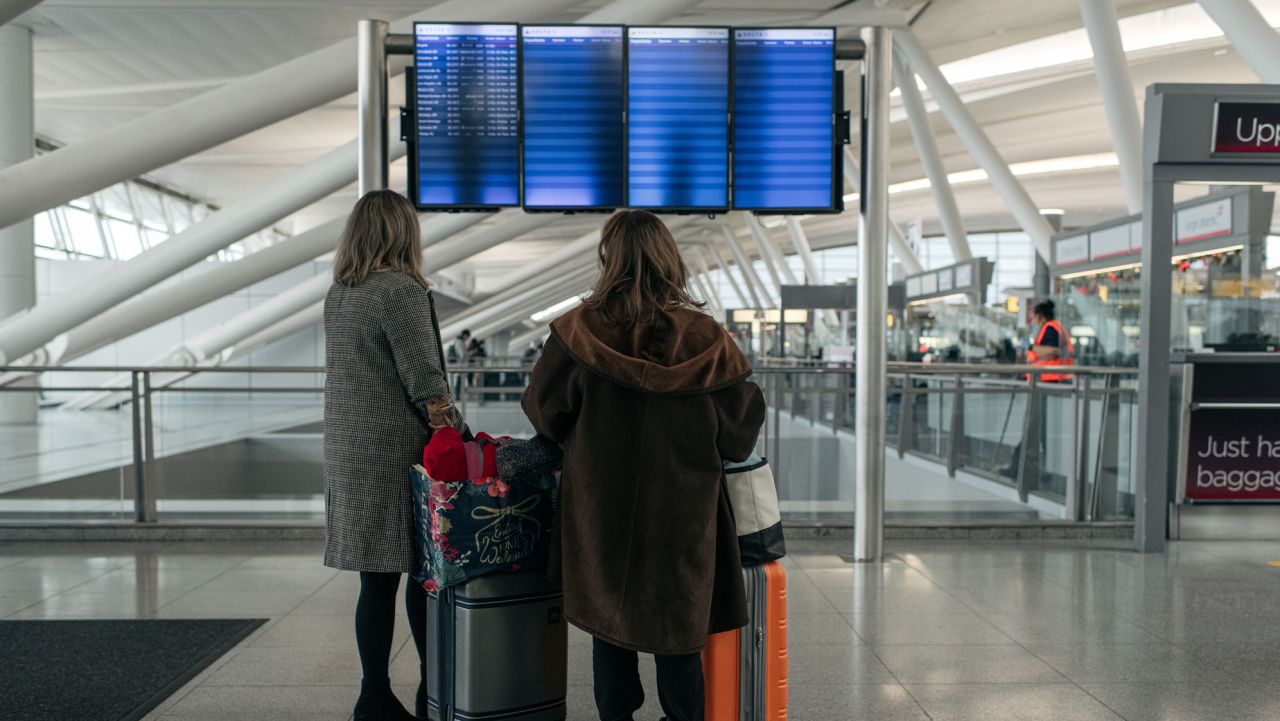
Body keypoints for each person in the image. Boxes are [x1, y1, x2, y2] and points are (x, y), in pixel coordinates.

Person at [522, 210, 765, 721]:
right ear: (668, 260)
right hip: (683, 511)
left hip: (600, 509)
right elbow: (739, 436)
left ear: (608, 259)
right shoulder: (708, 341)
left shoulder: (575, 333)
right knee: (679, 637)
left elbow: (547, 414)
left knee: (612, 626)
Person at [322, 189, 463, 721]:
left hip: (350, 453)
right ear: (404, 232)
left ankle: (373, 694)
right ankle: (432, 691)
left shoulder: (341, 291)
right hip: (396, 453)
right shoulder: (399, 291)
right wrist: (458, 433)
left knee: (376, 580)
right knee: (424, 575)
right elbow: (426, 380)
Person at [1027, 299, 1073, 382]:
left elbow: (1054, 351)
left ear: (1040, 316)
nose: (1033, 320)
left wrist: (1031, 347)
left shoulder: (1050, 328)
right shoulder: (1054, 327)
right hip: (1053, 375)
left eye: (1033, 317)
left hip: (1050, 376)